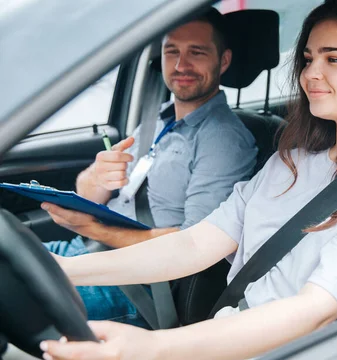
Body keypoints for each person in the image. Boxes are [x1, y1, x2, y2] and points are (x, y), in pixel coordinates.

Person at [3, 0, 337, 360]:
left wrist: (157, 350)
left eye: (334, 59)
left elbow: (313, 313)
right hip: (218, 352)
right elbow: (194, 244)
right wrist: (60, 271)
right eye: (309, 58)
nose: (311, 73)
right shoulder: (291, 161)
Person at [41, 8, 257, 327]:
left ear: (223, 61)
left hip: (136, 284)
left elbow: (192, 244)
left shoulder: (223, 139)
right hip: (85, 250)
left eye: (196, 52)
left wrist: (94, 230)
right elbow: (95, 193)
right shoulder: (158, 119)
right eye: (172, 52)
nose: (181, 65)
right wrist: (96, 177)